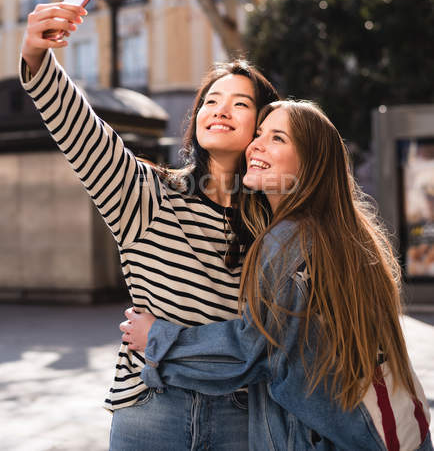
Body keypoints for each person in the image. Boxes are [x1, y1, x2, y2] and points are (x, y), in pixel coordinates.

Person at [19, 0, 279, 451]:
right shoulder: (147, 195)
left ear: (261, 125)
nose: (220, 110)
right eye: (211, 101)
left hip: (245, 413)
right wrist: (38, 57)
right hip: (151, 408)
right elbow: (82, 131)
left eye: (240, 103)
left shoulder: (275, 217)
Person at [121, 100, 433, 451]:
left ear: (310, 163)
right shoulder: (347, 234)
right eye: (258, 134)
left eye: (278, 138)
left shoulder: (289, 240)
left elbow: (253, 350)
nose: (256, 145)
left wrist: (157, 340)